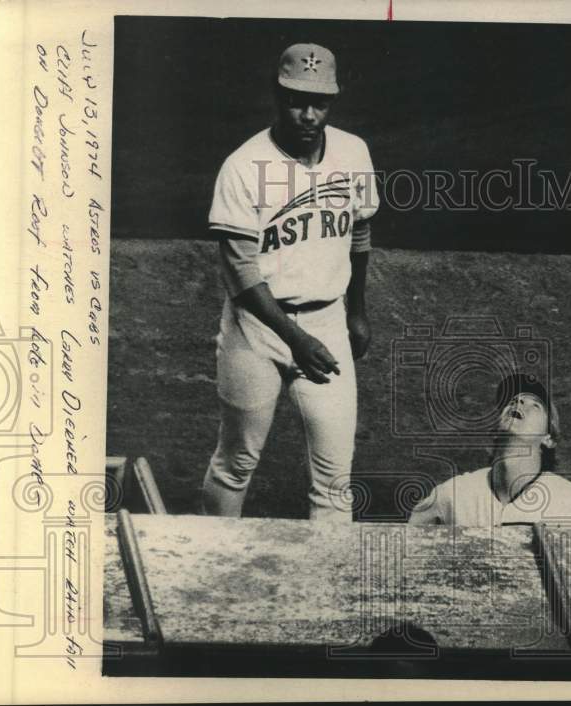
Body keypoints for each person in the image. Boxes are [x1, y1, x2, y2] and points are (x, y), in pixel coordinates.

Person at [201, 43, 378, 520]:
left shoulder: (353, 152)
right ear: (278, 97)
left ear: (332, 102)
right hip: (255, 331)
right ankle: (212, 570)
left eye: (319, 103)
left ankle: (328, 589)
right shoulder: (243, 167)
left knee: (335, 480)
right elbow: (240, 273)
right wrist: (296, 338)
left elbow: (359, 230)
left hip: (327, 323)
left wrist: (356, 310)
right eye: (297, 101)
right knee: (236, 463)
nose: (308, 114)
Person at [409, 374, 571, 530]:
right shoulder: (452, 494)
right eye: (514, 400)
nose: (519, 402)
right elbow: (409, 553)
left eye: (535, 406)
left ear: (549, 438)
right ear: (494, 429)